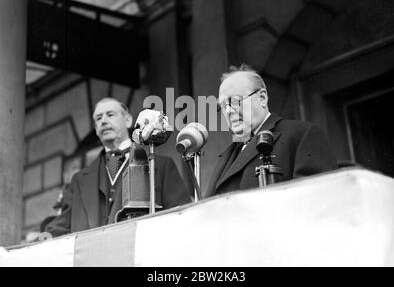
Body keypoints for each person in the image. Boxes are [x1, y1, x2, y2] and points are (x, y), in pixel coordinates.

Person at [44, 97, 192, 237]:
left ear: (128, 120)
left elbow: (181, 215)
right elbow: (62, 225)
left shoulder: (161, 166)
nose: (103, 121)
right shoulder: (78, 181)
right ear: (95, 129)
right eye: (98, 118)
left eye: (110, 115)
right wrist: (48, 235)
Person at [205, 64, 337, 197]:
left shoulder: (303, 134)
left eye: (234, 101)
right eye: (222, 106)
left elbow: (315, 200)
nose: (228, 111)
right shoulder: (227, 155)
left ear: (262, 98)